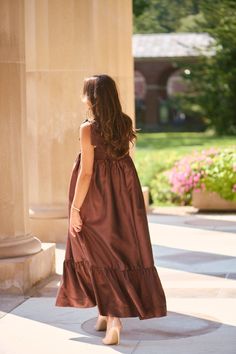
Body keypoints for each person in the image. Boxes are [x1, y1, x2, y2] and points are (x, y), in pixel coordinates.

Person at [55, 74, 167, 345]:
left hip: (96, 197)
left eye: (84, 93)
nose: (82, 97)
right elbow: (121, 161)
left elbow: (87, 172)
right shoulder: (124, 122)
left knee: (93, 250)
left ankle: (114, 319)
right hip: (124, 197)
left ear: (91, 97)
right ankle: (105, 311)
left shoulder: (88, 128)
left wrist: (75, 208)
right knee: (115, 250)